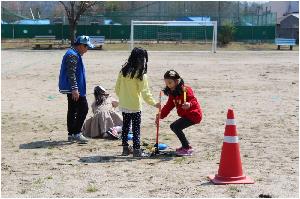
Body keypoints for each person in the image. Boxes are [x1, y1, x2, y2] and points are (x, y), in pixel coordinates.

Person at [115, 47, 160, 157]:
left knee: (125, 127)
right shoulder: (141, 75)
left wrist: (123, 97)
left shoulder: (123, 71)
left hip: (124, 105)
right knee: (135, 128)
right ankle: (136, 150)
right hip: (135, 106)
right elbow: (145, 93)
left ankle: (125, 149)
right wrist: (155, 103)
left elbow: (117, 88)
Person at [156, 70, 202, 156]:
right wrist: (160, 115)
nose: (168, 85)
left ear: (176, 81)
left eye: (170, 83)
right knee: (173, 126)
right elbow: (168, 106)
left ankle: (187, 148)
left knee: (176, 127)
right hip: (186, 115)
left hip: (194, 114)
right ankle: (186, 145)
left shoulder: (186, 90)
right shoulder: (172, 94)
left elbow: (193, 100)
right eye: (166, 83)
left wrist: (189, 104)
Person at [58, 35, 94, 143]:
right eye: (86, 47)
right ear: (81, 45)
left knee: (73, 109)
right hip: (74, 88)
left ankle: (71, 134)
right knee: (83, 108)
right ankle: (77, 133)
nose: (87, 50)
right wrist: (74, 88)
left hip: (74, 88)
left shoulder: (74, 53)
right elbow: (71, 73)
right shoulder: (72, 55)